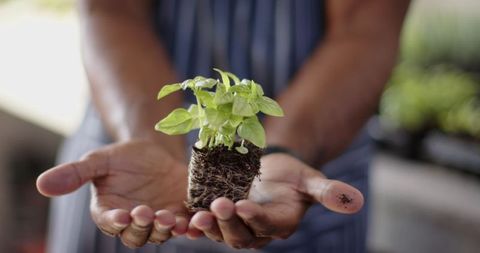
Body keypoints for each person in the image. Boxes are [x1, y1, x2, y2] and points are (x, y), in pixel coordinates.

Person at [36, 0, 410, 252]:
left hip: (317, 150)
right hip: (130, 139)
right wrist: (148, 139)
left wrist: (280, 150)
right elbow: (112, 10)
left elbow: (365, 26)